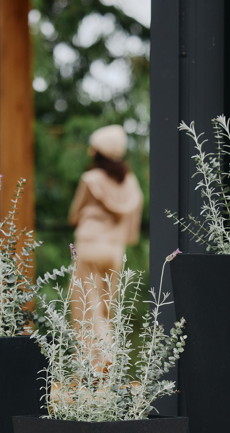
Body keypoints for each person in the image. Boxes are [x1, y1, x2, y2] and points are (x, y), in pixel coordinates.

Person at [68, 124, 144, 348]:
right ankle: (108, 359)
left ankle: (98, 361)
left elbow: (74, 215)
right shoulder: (131, 183)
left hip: (89, 246)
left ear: (99, 152)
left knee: (86, 305)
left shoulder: (91, 179)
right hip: (115, 249)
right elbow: (133, 221)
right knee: (106, 307)